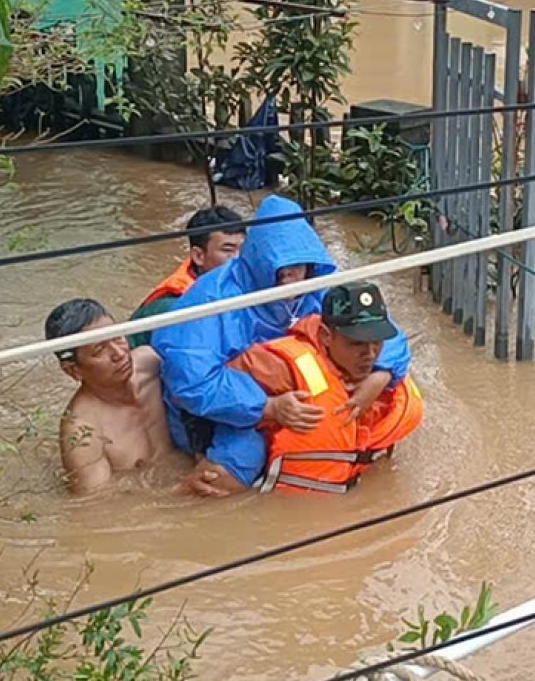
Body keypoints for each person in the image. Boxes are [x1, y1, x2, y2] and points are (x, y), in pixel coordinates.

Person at [152, 195, 413, 494]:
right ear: (261, 263)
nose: (290, 278)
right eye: (281, 270)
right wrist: (269, 407)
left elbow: (386, 334)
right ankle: (180, 496)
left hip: (291, 395)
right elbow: (191, 383)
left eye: (297, 267)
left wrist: (380, 375)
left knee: (377, 415)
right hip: (223, 411)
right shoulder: (211, 301)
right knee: (235, 468)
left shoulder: (317, 286)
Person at [222, 281, 424, 495]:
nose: (370, 354)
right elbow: (215, 395)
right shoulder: (280, 366)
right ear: (326, 336)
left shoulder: (386, 370)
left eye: (377, 342)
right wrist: (269, 407)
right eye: (356, 343)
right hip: (293, 508)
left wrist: (382, 375)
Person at [46, 298, 172, 495]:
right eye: (99, 350)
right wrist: (181, 491)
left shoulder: (151, 363)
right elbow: (99, 510)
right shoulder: (82, 432)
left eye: (118, 337)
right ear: (73, 370)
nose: (119, 353)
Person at [128, 206, 246, 349]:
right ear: (198, 256)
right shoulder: (172, 307)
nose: (238, 258)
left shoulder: (245, 283)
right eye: (228, 250)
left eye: (243, 249)